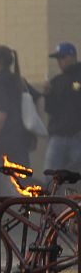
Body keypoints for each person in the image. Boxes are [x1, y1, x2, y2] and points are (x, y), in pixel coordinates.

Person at [0, 45, 32, 168]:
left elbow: (2, 111)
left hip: (6, 138)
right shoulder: (18, 79)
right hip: (21, 136)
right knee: (22, 173)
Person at [43, 42, 81, 177]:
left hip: (77, 136)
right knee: (50, 175)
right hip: (58, 136)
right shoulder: (57, 81)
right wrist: (48, 94)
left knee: (76, 176)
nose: (60, 61)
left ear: (73, 57)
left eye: (63, 57)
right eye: (58, 58)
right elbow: (50, 109)